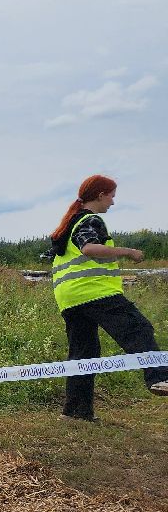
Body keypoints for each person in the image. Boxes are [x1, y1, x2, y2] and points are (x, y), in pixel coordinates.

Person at [49, 174, 168, 421]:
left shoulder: (69, 223)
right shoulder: (89, 220)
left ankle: (76, 413)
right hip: (94, 292)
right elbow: (89, 248)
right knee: (138, 329)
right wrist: (128, 252)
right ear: (100, 195)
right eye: (112, 196)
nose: (113, 202)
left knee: (83, 355)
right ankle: (160, 377)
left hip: (69, 299)